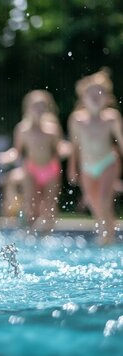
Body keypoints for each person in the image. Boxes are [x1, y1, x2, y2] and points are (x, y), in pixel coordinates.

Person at [67, 68, 123, 244]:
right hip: (87, 167)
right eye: (92, 93)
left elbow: (121, 142)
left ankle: (108, 236)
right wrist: (72, 167)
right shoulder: (77, 120)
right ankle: (106, 231)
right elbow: (74, 147)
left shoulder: (111, 118)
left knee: (105, 199)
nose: (96, 96)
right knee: (94, 203)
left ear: (107, 98)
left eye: (101, 93)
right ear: (83, 98)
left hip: (108, 162)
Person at [0, 90, 66, 231]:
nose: (39, 110)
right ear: (27, 108)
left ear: (48, 109)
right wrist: (6, 156)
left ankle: (47, 233)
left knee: (50, 204)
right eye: (36, 106)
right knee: (31, 203)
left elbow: (59, 149)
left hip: (51, 170)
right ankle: (31, 233)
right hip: (31, 170)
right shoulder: (22, 130)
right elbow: (17, 152)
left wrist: (68, 149)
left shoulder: (52, 130)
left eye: (43, 106)